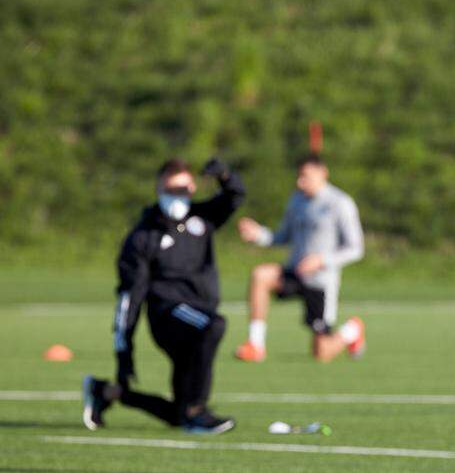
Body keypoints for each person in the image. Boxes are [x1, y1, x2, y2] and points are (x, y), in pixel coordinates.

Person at [81, 157, 246, 434]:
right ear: (158, 189)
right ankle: (198, 411)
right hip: (168, 315)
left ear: (192, 188)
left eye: (182, 190)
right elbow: (129, 298)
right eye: (170, 191)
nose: (176, 197)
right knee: (214, 325)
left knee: (176, 415)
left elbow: (234, 198)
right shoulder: (143, 237)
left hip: (197, 314)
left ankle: (107, 392)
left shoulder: (202, 219)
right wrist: (124, 352)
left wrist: (226, 176)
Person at [234, 154, 366, 362]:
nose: (300, 182)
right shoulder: (297, 201)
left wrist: (322, 260)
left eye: (305, 176)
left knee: (321, 354)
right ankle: (255, 344)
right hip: (295, 272)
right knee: (261, 275)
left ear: (323, 173)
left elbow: (356, 248)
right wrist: (259, 234)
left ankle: (352, 330)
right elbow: (282, 236)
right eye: (299, 176)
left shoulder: (340, 203)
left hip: (321, 282)